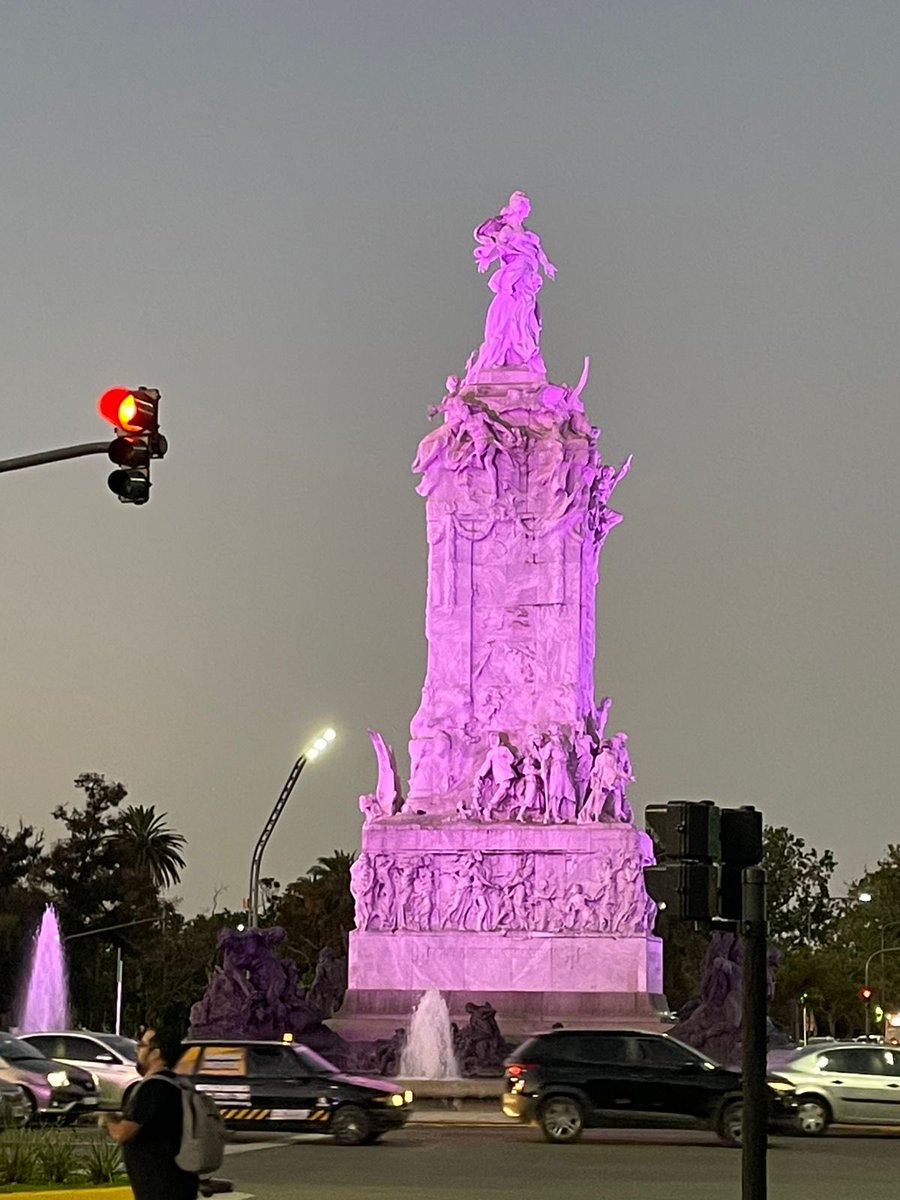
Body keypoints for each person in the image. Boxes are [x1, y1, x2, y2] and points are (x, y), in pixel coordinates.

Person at [102, 1025, 199, 1200]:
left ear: (155, 1053)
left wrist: (106, 1120)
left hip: (161, 1188)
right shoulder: (177, 1085)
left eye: (141, 1045)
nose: (137, 1050)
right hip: (179, 1183)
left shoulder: (154, 1089)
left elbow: (123, 1132)